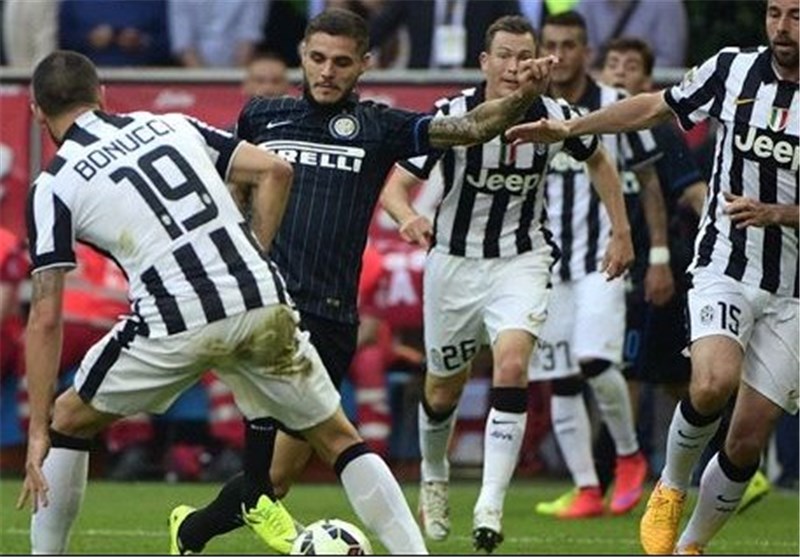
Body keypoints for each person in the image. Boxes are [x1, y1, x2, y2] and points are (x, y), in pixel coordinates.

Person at [171, 7, 558, 555]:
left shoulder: (380, 127)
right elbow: (233, 200)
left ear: (363, 66)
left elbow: (472, 127)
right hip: (267, 310)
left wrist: (523, 97)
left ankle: (189, 532)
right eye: (318, 58)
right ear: (302, 56)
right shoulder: (261, 116)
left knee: (273, 481)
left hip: (331, 316)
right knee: (339, 441)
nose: (327, 71)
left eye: (341, 62)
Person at [15, 49, 431, 556]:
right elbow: (275, 170)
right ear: (102, 95)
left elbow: (45, 317)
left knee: (66, 419)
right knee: (340, 439)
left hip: (176, 317)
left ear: (37, 113)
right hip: (260, 297)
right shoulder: (170, 124)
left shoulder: (53, 185)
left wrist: (35, 432)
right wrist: (255, 254)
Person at [505, 0, 798, 552]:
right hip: (725, 261)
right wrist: (571, 126)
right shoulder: (732, 68)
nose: (782, 28)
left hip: (794, 289)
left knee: (747, 439)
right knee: (711, 383)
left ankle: (690, 545)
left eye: (796, 16)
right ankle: (670, 484)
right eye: (774, 13)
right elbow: (651, 107)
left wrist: (780, 213)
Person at [379, 14, 633, 552]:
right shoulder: (451, 114)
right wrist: (408, 216)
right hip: (454, 262)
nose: (515, 66)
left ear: (539, 61)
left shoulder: (556, 116)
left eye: (524, 56)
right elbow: (395, 187)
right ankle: (434, 473)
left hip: (522, 259)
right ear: (485, 62)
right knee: (442, 389)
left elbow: (600, 160)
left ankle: (490, 505)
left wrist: (621, 230)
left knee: (513, 365)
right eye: (505, 56)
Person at [524, 10, 665, 521]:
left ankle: (629, 456)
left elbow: (649, 181)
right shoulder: (527, 105)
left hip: (602, 258)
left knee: (594, 362)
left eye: (569, 45)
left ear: (587, 52)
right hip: (544, 262)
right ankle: (586, 487)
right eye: (551, 45)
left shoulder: (614, 104)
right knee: (560, 377)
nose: (558, 56)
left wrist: (658, 254)